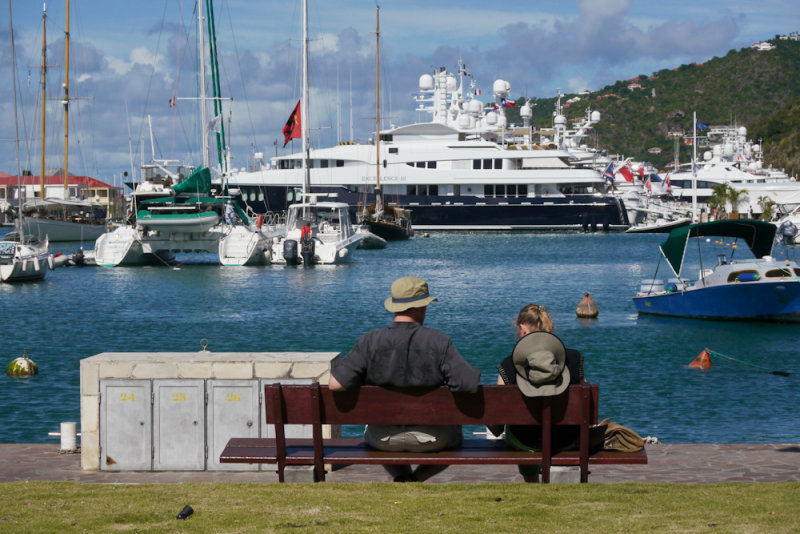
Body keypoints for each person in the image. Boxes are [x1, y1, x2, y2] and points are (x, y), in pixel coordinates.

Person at [329, 276, 481, 482]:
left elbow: (335, 384)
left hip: (382, 438)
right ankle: (416, 480)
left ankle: (402, 477)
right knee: (458, 434)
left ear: (394, 307)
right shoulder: (439, 341)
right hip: (434, 439)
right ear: (420, 308)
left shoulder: (369, 341)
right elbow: (469, 386)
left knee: (373, 425)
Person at [491, 304, 582, 482]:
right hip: (566, 439)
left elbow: (497, 418)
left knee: (520, 434)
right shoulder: (574, 359)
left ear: (522, 329)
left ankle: (531, 481)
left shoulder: (508, 365)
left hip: (524, 442)